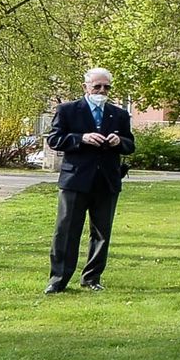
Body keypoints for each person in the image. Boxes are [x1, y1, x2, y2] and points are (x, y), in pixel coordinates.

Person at [43, 67, 134, 294]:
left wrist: (118, 141)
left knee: (102, 232)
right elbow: (54, 139)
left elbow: (130, 144)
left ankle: (92, 278)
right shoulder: (68, 110)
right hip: (76, 180)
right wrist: (80, 138)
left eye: (106, 87)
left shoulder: (119, 114)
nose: (102, 91)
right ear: (86, 87)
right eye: (97, 86)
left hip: (107, 180)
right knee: (66, 231)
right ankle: (58, 279)